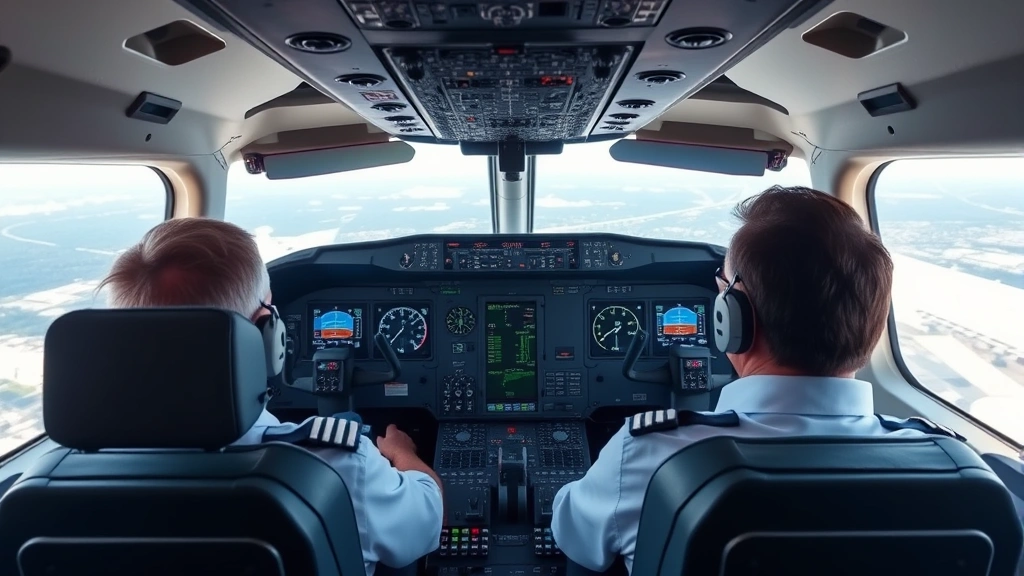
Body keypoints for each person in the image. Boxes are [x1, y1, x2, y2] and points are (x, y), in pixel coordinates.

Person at [550, 186, 948, 574]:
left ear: (732, 319)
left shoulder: (653, 456)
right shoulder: (949, 465)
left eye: (721, 286)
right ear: (875, 325)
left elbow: (576, 537)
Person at [97, 217, 443, 576]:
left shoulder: (65, 476)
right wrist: (404, 454)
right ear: (267, 331)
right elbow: (428, 521)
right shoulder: (331, 466)